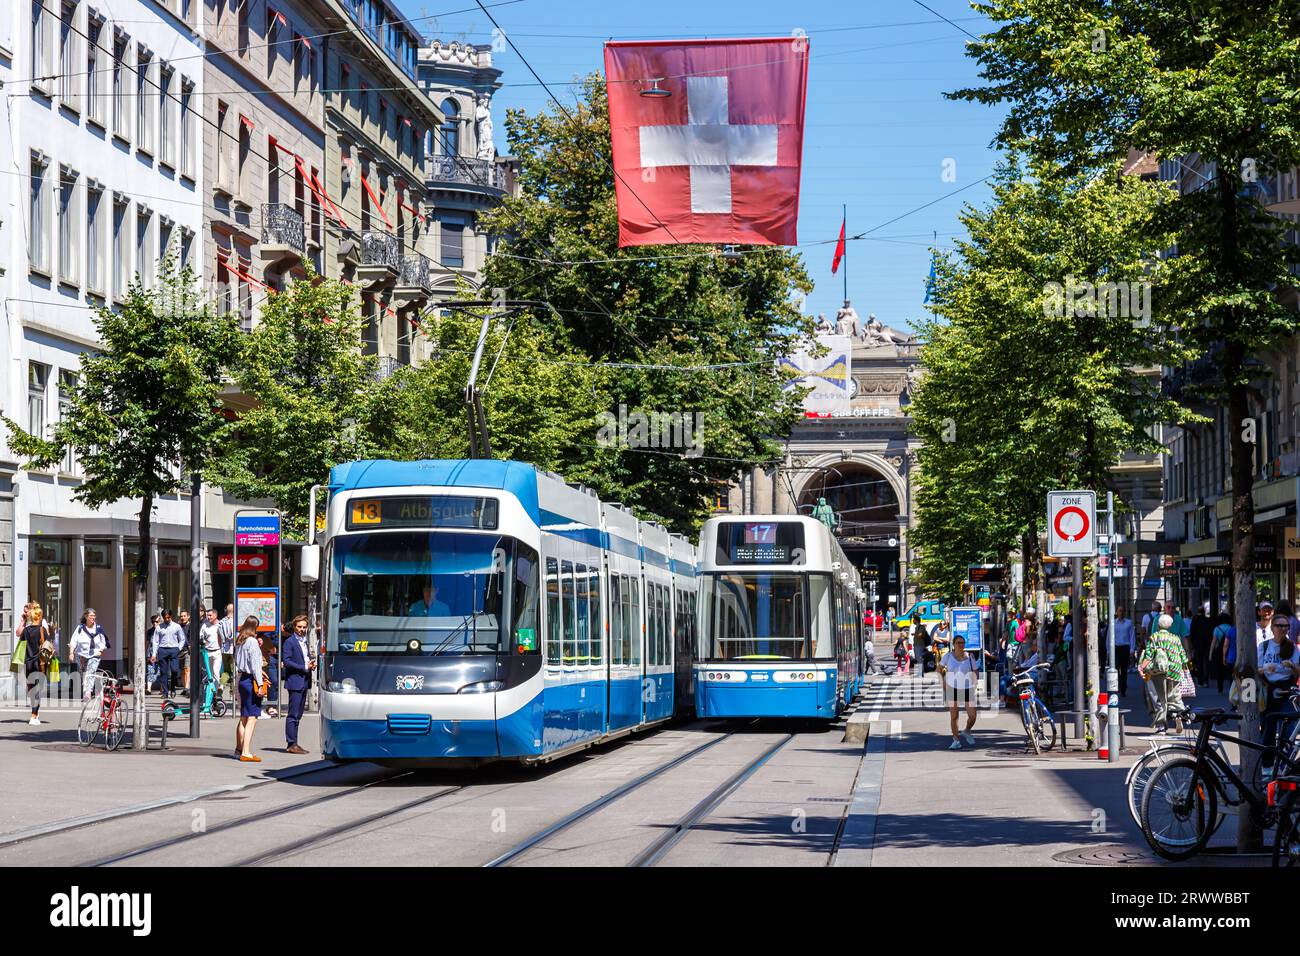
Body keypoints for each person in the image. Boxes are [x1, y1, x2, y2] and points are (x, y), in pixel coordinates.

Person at [1257, 612, 1300, 779]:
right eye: (1279, 626)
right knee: (1268, 731)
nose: (1283, 629)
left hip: (1287, 691)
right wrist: (1267, 668)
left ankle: (1283, 767)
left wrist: (1292, 666)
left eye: (1286, 626)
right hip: (1269, 690)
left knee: (1288, 732)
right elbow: (1257, 669)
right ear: (1272, 628)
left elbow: (1298, 671)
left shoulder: (1292, 647)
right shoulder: (1265, 646)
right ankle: (1267, 768)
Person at [1138, 613, 1190, 734]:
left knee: (1160, 699)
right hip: (1175, 671)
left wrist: (1141, 667)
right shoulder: (1175, 638)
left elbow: (1149, 656)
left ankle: (1161, 726)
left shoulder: (1154, 637)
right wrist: (1185, 669)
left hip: (1159, 672)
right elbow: (1183, 657)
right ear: (1170, 626)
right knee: (1175, 697)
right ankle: (1178, 716)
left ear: (1159, 625)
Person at [938, 635, 980, 749]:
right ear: (953, 644)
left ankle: (967, 730)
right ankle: (956, 740)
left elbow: (975, 670)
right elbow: (939, 669)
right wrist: (943, 683)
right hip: (952, 687)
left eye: (962, 642)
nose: (961, 645)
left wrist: (975, 681)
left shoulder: (970, 656)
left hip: (967, 687)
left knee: (973, 716)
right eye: (958, 643)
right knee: (954, 716)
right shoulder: (948, 656)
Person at [281, 614, 314, 754]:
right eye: (299, 627)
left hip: (304, 680)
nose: (302, 629)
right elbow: (286, 661)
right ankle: (291, 743)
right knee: (293, 714)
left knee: (298, 714)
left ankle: (295, 742)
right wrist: (304, 667)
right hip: (295, 681)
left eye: (304, 627)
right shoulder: (290, 642)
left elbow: (304, 658)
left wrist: (311, 664)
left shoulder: (304, 641)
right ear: (294, 627)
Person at [234, 617, 264, 761]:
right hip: (250, 679)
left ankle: (239, 749)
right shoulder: (252, 642)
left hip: (241, 679)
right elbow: (256, 665)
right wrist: (260, 683)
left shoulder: (240, 640)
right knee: (252, 717)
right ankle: (246, 751)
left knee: (243, 717)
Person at [19, 604, 53, 725]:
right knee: (38, 690)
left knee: (32, 688)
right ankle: (33, 716)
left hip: (28, 662)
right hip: (40, 663)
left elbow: (21, 641)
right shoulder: (42, 630)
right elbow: (49, 644)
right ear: (39, 617)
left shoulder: (26, 630)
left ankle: (35, 712)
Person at [68, 607, 108, 701]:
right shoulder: (80, 628)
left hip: (94, 654)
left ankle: (88, 693)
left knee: (91, 672)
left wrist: (101, 651)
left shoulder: (98, 628)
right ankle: (86, 690)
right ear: (86, 616)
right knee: (84, 673)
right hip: (81, 654)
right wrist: (71, 653)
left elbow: (104, 641)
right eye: (91, 616)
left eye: (94, 616)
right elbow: (73, 641)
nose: (93, 618)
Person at [149, 609, 185, 698]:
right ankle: (165, 692)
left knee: (174, 670)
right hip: (162, 650)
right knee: (163, 672)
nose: (167, 619)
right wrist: (154, 654)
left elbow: (182, 639)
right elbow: (155, 641)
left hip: (174, 650)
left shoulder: (177, 626)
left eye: (168, 617)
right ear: (163, 617)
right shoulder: (159, 627)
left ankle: (172, 688)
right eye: (165, 618)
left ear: (171, 616)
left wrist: (178, 649)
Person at [1113, 605, 1135, 697]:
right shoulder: (1113, 623)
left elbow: (1132, 636)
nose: (1121, 613)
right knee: (1116, 668)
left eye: (1122, 611)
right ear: (1117, 612)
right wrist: (1109, 650)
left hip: (1125, 647)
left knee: (1124, 669)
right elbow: (1110, 637)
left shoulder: (1129, 623)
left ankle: (1123, 688)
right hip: (1116, 647)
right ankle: (1118, 685)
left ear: (1124, 612)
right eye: (1119, 611)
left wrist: (1132, 649)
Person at [1189, 604, 1214, 687]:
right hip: (1206, 644)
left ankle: (1200, 681)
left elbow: (1191, 633)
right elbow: (1211, 632)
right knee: (1205, 663)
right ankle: (1206, 681)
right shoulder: (1208, 620)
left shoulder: (1194, 620)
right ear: (1203, 611)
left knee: (1199, 663)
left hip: (1197, 645)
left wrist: (1192, 645)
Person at [1210, 611, 1234, 695]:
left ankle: (1220, 689)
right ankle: (1231, 688)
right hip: (1230, 651)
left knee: (1219, 670)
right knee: (1230, 671)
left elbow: (1214, 642)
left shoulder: (1217, 628)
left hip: (1218, 651)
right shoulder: (1231, 628)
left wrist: (1210, 652)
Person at [199, 608, 223, 692]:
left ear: (215, 615)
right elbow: (200, 636)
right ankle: (209, 691)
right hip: (207, 652)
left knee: (216, 672)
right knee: (209, 673)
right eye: (207, 615)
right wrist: (202, 640)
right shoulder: (205, 625)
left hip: (217, 652)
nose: (208, 617)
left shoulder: (220, 625)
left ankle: (215, 692)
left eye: (210, 615)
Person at [218, 603, 236, 690]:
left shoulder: (221, 622)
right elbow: (234, 636)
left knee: (226, 671)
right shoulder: (236, 621)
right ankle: (233, 691)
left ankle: (222, 685)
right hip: (234, 649)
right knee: (234, 671)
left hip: (224, 649)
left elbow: (221, 637)